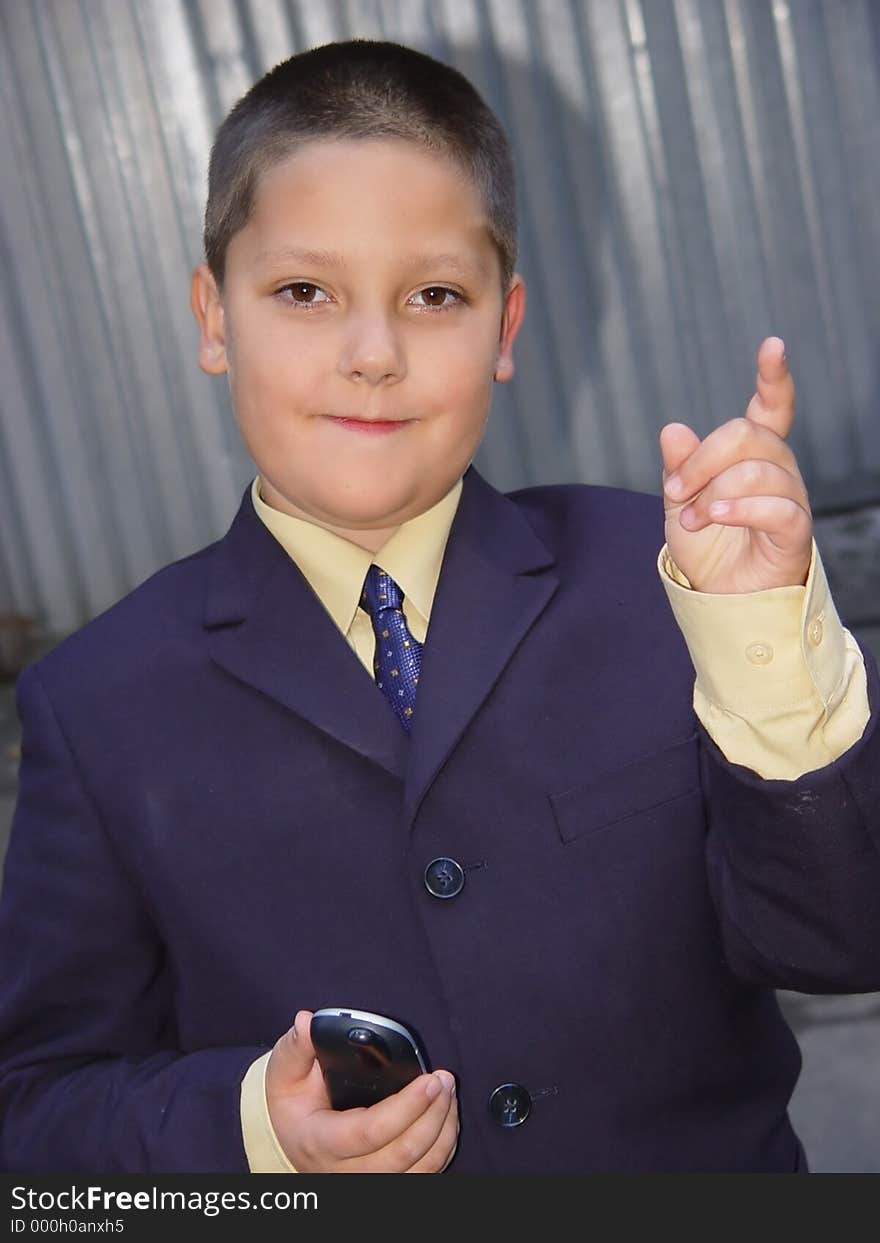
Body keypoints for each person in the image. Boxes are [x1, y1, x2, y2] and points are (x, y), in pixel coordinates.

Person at [0, 38, 878, 1175]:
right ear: (214, 316)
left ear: (504, 330)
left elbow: (840, 936)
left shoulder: (660, 585)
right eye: (306, 292)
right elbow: (35, 1111)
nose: (373, 353)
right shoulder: (98, 704)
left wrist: (761, 641)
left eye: (433, 294)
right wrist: (255, 1126)